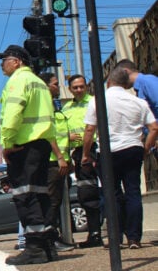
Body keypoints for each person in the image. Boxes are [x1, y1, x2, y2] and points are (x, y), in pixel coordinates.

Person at [82, 66, 158, 250]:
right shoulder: (137, 101)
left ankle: (116, 237)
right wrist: (145, 148)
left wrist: (85, 153)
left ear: (109, 82)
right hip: (133, 148)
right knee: (133, 192)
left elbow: (90, 129)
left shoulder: (98, 100)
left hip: (109, 150)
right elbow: (154, 127)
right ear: (125, 84)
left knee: (112, 194)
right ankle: (134, 238)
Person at [0, 45, 58, 265]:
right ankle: (48, 246)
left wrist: (8, 144)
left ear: (18, 61)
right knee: (41, 195)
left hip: (24, 146)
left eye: (5, 59)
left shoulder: (18, 81)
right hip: (42, 145)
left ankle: (34, 248)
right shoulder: (40, 83)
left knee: (25, 196)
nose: (2, 63)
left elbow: (12, 115)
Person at [62, 74, 102, 248]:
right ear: (69, 89)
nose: (78, 90)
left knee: (99, 192)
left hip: (95, 149)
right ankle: (93, 234)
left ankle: (98, 234)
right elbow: (62, 131)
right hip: (78, 152)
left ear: (86, 86)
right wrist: (67, 136)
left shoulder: (94, 102)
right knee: (85, 193)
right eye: (75, 87)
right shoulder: (67, 108)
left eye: (81, 86)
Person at [39, 72, 73, 253]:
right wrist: (60, 157)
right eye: (54, 84)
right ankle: (51, 240)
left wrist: (67, 158)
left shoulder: (54, 105)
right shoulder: (45, 106)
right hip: (52, 162)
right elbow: (48, 133)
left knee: (56, 201)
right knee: (52, 202)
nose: (58, 87)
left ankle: (54, 237)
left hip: (61, 161)